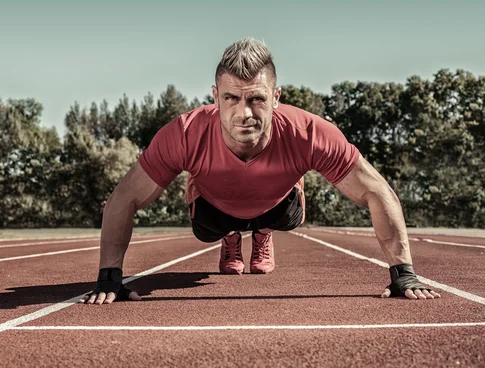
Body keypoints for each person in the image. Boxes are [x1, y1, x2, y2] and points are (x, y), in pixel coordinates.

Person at [81, 37, 441, 305]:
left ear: (276, 96)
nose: (244, 113)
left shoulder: (308, 133)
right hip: (214, 207)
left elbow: (376, 191)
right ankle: (232, 237)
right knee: (207, 230)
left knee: (288, 218)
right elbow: (123, 197)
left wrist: (403, 273)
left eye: (257, 98)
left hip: (277, 203)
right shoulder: (185, 134)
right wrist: (109, 276)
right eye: (231, 98)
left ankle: (263, 230)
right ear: (214, 95)